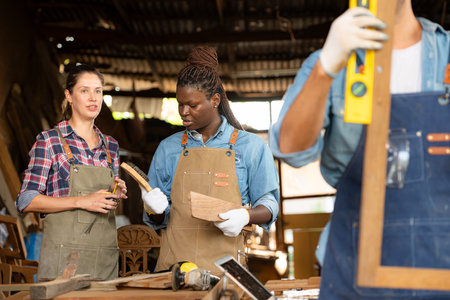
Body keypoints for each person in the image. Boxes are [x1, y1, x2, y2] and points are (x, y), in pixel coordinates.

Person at [270, 1, 449, 299]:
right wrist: (326, 68)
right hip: (353, 267)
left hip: (440, 266)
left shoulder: (445, 56)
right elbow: (290, 150)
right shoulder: (330, 62)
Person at [142, 46, 279, 274]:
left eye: (192, 105)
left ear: (215, 100)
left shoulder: (250, 147)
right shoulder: (168, 149)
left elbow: (269, 204)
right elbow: (158, 220)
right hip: (173, 273)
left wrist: (246, 215)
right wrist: (152, 209)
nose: (183, 111)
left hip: (226, 272)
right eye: (180, 104)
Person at [17, 64, 127, 281]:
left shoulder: (111, 146)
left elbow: (105, 201)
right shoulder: (49, 141)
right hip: (63, 261)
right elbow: (26, 201)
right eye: (84, 90)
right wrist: (82, 201)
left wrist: (116, 191)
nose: (93, 98)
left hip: (103, 260)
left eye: (98, 91)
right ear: (69, 95)